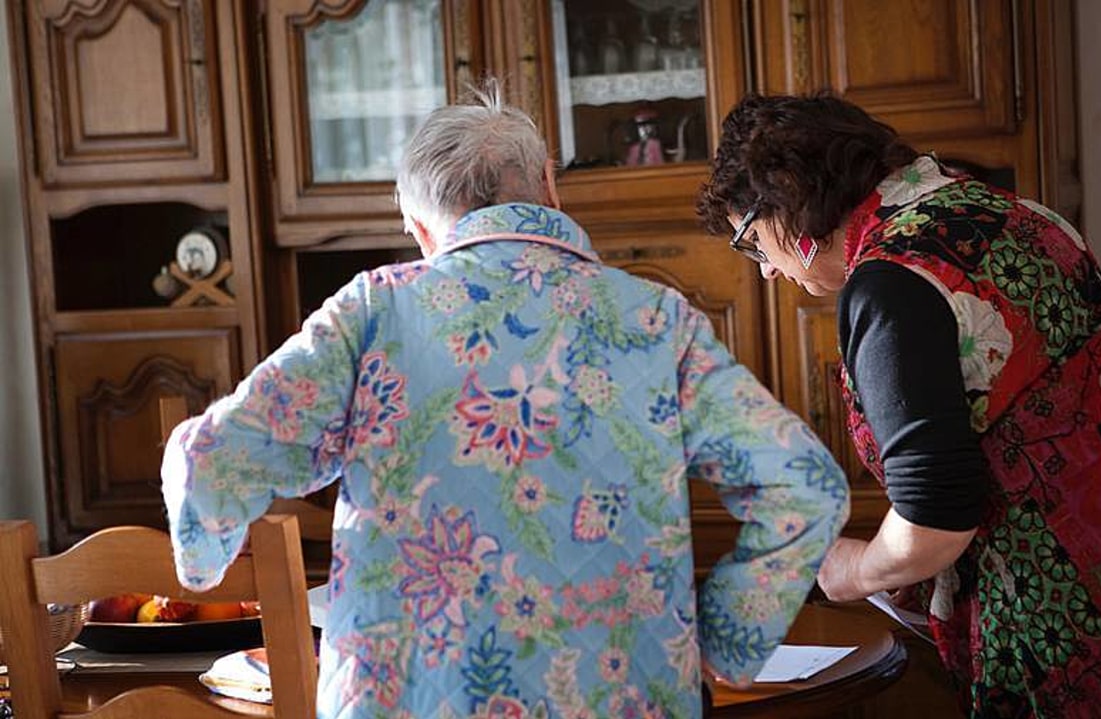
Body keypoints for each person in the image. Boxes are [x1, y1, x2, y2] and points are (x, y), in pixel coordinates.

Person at [160, 84, 850, 719]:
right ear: (549, 184)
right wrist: (721, 642)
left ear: (420, 228)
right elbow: (807, 488)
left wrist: (202, 560)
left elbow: (211, 460)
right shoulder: (656, 321)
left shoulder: (373, 314)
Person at [696, 92, 1101, 718]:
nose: (765, 271)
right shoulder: (1018, 214)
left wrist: (849, 570)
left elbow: (934, 520)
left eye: (751, 240)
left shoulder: (891, 283)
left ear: (792, 202)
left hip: (1074, 626)